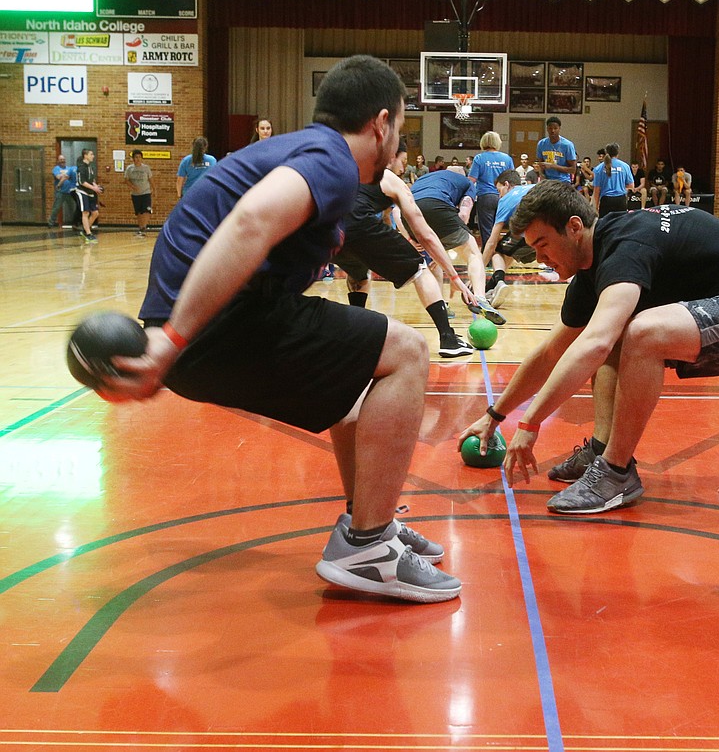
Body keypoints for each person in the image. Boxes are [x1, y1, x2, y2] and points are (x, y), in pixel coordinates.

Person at [110, 55, 461, 603]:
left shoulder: (309, 153)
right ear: (382, 124)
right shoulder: (332, 160)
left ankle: (370, 525)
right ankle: (368, 548)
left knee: (357, 383)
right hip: (212, 327)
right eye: (402, 127)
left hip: (218, 325)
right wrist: (170, 340)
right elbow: (251, 221)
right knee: (409, 351)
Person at [459, 180, 719, 516]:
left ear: (574, 227)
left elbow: (594, 345)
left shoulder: (626, 247)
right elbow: (552, 351)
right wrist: (495, 417)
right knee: (615, 330)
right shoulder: (594, 265)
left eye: (543, 244)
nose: (539, 258)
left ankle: (616, 472)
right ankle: (602, 450)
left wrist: (530, 422)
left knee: (640, 333)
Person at [334, 142, 476, 358]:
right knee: (420, 269)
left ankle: (355, 336)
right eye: (403, 161)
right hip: (358, 224)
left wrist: (405, 239)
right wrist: (454, 276)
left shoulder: (351, 171)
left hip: (330, 230)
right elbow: (426, 234)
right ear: (390, 158)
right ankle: (448, 338)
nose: (403, 168)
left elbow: (386, 215)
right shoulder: (390, 178)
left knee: (359, 275)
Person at [407, 166, 506, 325]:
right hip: (436, 206)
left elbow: (397, 211)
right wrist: (461, 233)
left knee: (435, 264)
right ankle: (480, 298)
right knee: (473, 254)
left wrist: (411, 239)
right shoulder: (466, 183)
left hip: (409, 214)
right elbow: (464, 213)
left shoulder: (424, 178)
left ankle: (441, 306)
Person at [469, 131, 515, 302]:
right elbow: (512, 177)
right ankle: (500, 262)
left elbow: (471, 179)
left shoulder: (479, 159)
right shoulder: (506, 158)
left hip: (486, 197)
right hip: (504, 197)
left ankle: (488, 261)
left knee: (488, 232)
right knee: (504, 231)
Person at [592, 142, 635, 217]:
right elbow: (631, 186)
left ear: (606, 152)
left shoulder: (598, 168)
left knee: (605, 225)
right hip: (620, 199)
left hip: (606, 200)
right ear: (618, 153)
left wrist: (596, 206)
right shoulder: (625, 166)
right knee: (620, 224)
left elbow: (597, 190)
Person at [535, 116, 577, 184]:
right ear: (547, 129)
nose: (552, 131)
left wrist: (552, 166)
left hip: (563, 181)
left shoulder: (567, 145)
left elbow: (573, 170)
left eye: (555, 128)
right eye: (550, 128)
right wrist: (542, 176)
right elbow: (540, 164)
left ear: (559, 128)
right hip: (547, 181)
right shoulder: (541, 144)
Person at [73, 149, 102, 243]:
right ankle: (88, 234)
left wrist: (96, 186)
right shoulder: (81, 167)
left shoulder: (90, 167)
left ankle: (85, 230)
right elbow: (82, 182)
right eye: (91, 154)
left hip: (90, 192)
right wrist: (94, 188)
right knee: (85, 212)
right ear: (85, 155)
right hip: (82, 192)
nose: (93, 156)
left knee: (95, 213)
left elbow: (91, 180)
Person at [124, 149, 154, 237]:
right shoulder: (129, 168)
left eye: (139, 157)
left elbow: (151, 179)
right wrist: (132, 187)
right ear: (133, 158)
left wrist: (154, 189)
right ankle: (140, 228)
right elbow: (126, 180)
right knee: (139, 212)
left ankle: (144, 228)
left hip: (146, 192)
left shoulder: (146, 168)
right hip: (135, 194)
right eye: (136, 157)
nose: (138, 159)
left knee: (146, 210)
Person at [50, 154, 77, 229]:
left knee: (73, 208)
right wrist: (66, 176)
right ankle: (51, 223)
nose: (62, 161)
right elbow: (58, 177)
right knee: (56, 208)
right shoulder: (56, 168)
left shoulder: (69, 168)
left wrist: (64, 176)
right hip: (60, 192)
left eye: (63, 159)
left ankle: (74, 224)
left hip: (70, 192)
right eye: (61, 159)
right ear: (58, 161)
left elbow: (71, 177)